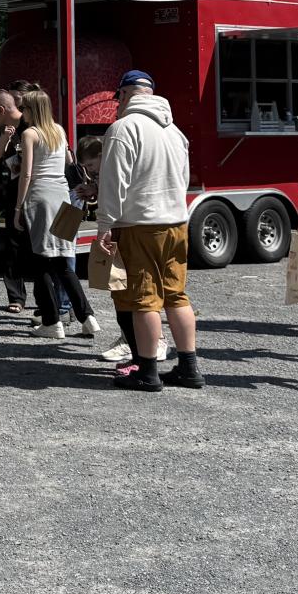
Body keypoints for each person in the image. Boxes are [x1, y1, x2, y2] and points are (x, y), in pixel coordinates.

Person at [97, 69, 202, 390]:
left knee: (144, 298)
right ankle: (188, 366)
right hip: (176, 220)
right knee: (176, 295)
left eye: (119, 97)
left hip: (139, 223)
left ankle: (148, 370)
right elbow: (183, 178)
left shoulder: (123, 128)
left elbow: (114, 182)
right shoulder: (175, 131)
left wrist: (105, 223)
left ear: (126, 94)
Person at [15, 88, 99, 340]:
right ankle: (87, 317)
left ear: (32, 110)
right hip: (63, 197)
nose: (21, 113)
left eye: (24, 108)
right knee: (63, 262)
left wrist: (18, 207)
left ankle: (52, 321)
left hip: (40, 199)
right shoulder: (59, 131)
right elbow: (65, 163)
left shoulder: (30, 134)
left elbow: (27, 174)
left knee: (40, 260)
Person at [0, 86, 31, 314]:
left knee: (37, 247)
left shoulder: (30, 124)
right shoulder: (4, 128)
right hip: (13, 189)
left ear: (1, 109)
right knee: (13, 245)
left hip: (35, 191)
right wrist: (5, 137)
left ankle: (55, 303)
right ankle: (16, 296)